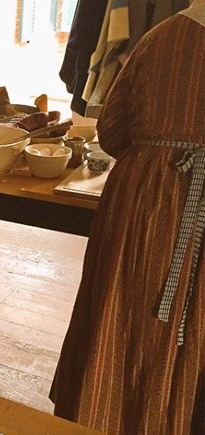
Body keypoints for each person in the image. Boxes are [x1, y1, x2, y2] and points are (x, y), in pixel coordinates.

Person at [50, 1, 205, 434]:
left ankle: (104, 417)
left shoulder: (162, 38)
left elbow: (113, 131)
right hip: (167, 208)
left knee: (125, 328)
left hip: (149, 210)